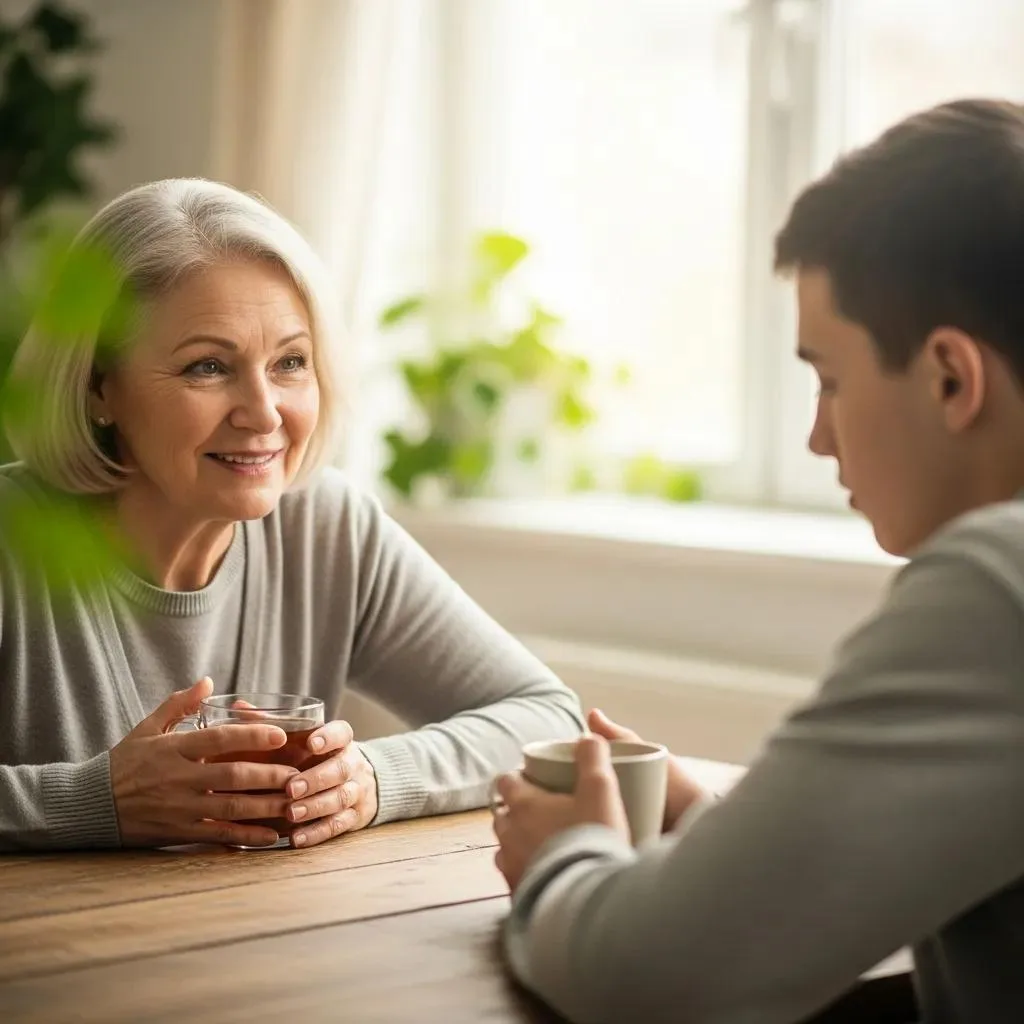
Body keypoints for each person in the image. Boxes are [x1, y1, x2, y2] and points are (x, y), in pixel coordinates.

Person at [493, 97, 1024, 1024]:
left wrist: (563, 858)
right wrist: (722, 840)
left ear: (950, 377)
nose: (819, 437)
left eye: (830, 379)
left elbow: (650, 981)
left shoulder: (999, 587)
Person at [0, 177, 584, 852]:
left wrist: (369, 777)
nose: (264, 411)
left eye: (290, 362)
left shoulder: (326, 527)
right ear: (100, 386)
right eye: (208, 366)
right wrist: (97, 799)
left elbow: (548, 718)